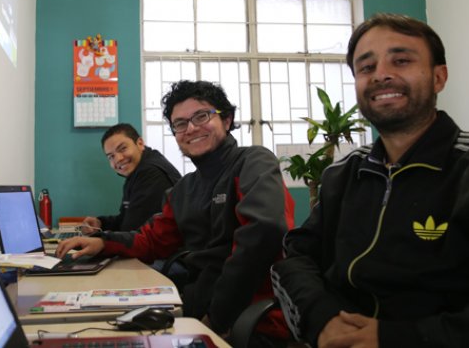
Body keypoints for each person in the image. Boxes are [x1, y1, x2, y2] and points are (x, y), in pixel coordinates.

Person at [270, 13, 469, 347]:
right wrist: (323, 319)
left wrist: (395, 338)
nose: (381, 75)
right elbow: (296, 259)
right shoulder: (344, 174)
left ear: (439, 77)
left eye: (402, 60)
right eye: (366, 67)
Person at [57, 80, 295, 343]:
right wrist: (101, 242)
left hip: (249, 323)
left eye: (201, 116)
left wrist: (216, 318)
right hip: (195, 306)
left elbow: (264, 233)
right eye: (180, 124)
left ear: (226, 120)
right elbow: (152, 239)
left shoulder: (253, 162)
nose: (191, 128)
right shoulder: (185, 188)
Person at [80, 123, 181, 234]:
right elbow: (126, 220)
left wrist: (100, 242)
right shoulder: (137, 171)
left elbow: (132, 232)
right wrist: (100, 223)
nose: (118, 159)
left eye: (122, 149)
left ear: (140, 143)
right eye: (111, 156)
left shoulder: (150, 173)